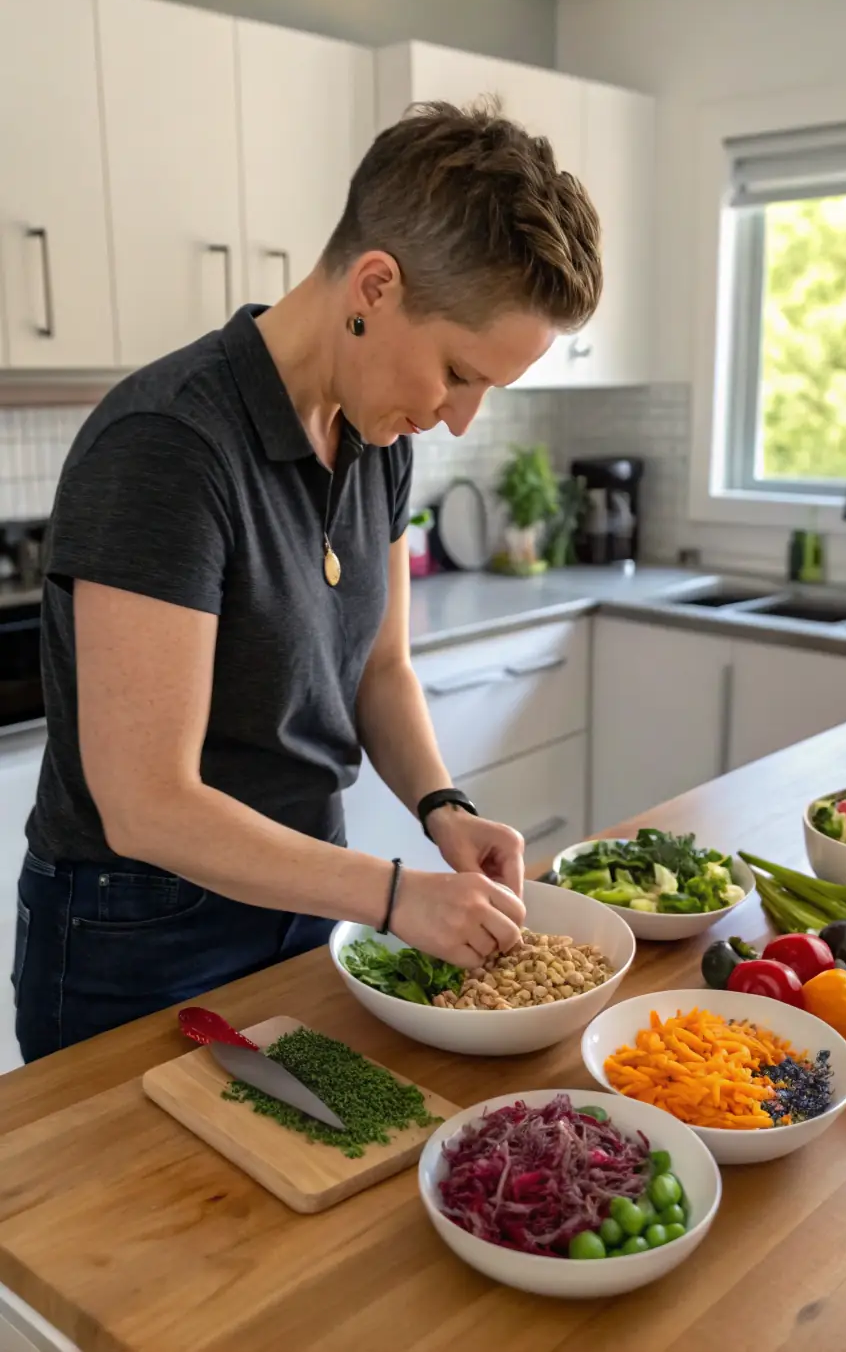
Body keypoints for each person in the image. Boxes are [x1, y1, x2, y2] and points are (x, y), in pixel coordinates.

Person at [12, 101, 602, 1063]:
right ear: (375, 283)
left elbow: (380, 673)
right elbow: (145, 802)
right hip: (139, 931)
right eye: (459, 372)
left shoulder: (376, 439)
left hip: (299, 898)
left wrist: (442, 808)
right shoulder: (167, 446)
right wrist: (395, 894)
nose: (459, 418)